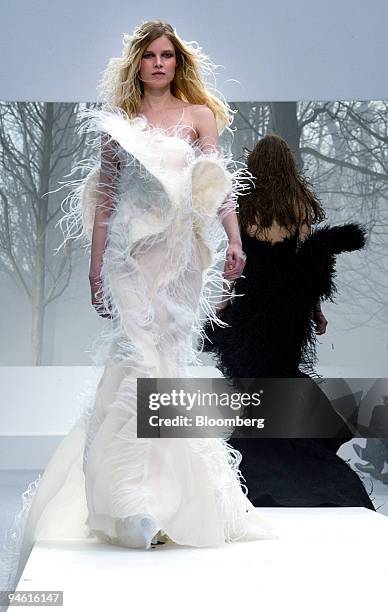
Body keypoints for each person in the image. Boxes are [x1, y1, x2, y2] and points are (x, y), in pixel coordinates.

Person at [0, 21, 275, 598]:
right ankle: (132, 503)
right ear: (137, 63)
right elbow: (104, 200)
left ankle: (171, 497)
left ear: (178, 62)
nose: (157, 63)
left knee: (167, 363)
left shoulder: (199, 117)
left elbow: (216, 185)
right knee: (135, 358)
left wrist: (235, 239)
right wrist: (98, 266)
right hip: (130, 253)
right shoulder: (119, 126)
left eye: (166, 55)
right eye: (149, 55)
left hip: (178, 259)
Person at [203, 134, 375, 510]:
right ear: (287, 165)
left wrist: (220, 305)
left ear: (255, 166)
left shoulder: (242, 205)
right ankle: (299, 460)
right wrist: (315, 311)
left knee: (251, 389)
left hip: (250, 307)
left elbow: (233, 263)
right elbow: (305, 269)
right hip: (287, 311)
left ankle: (253, 472)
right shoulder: (297, 206)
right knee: (283, 381)